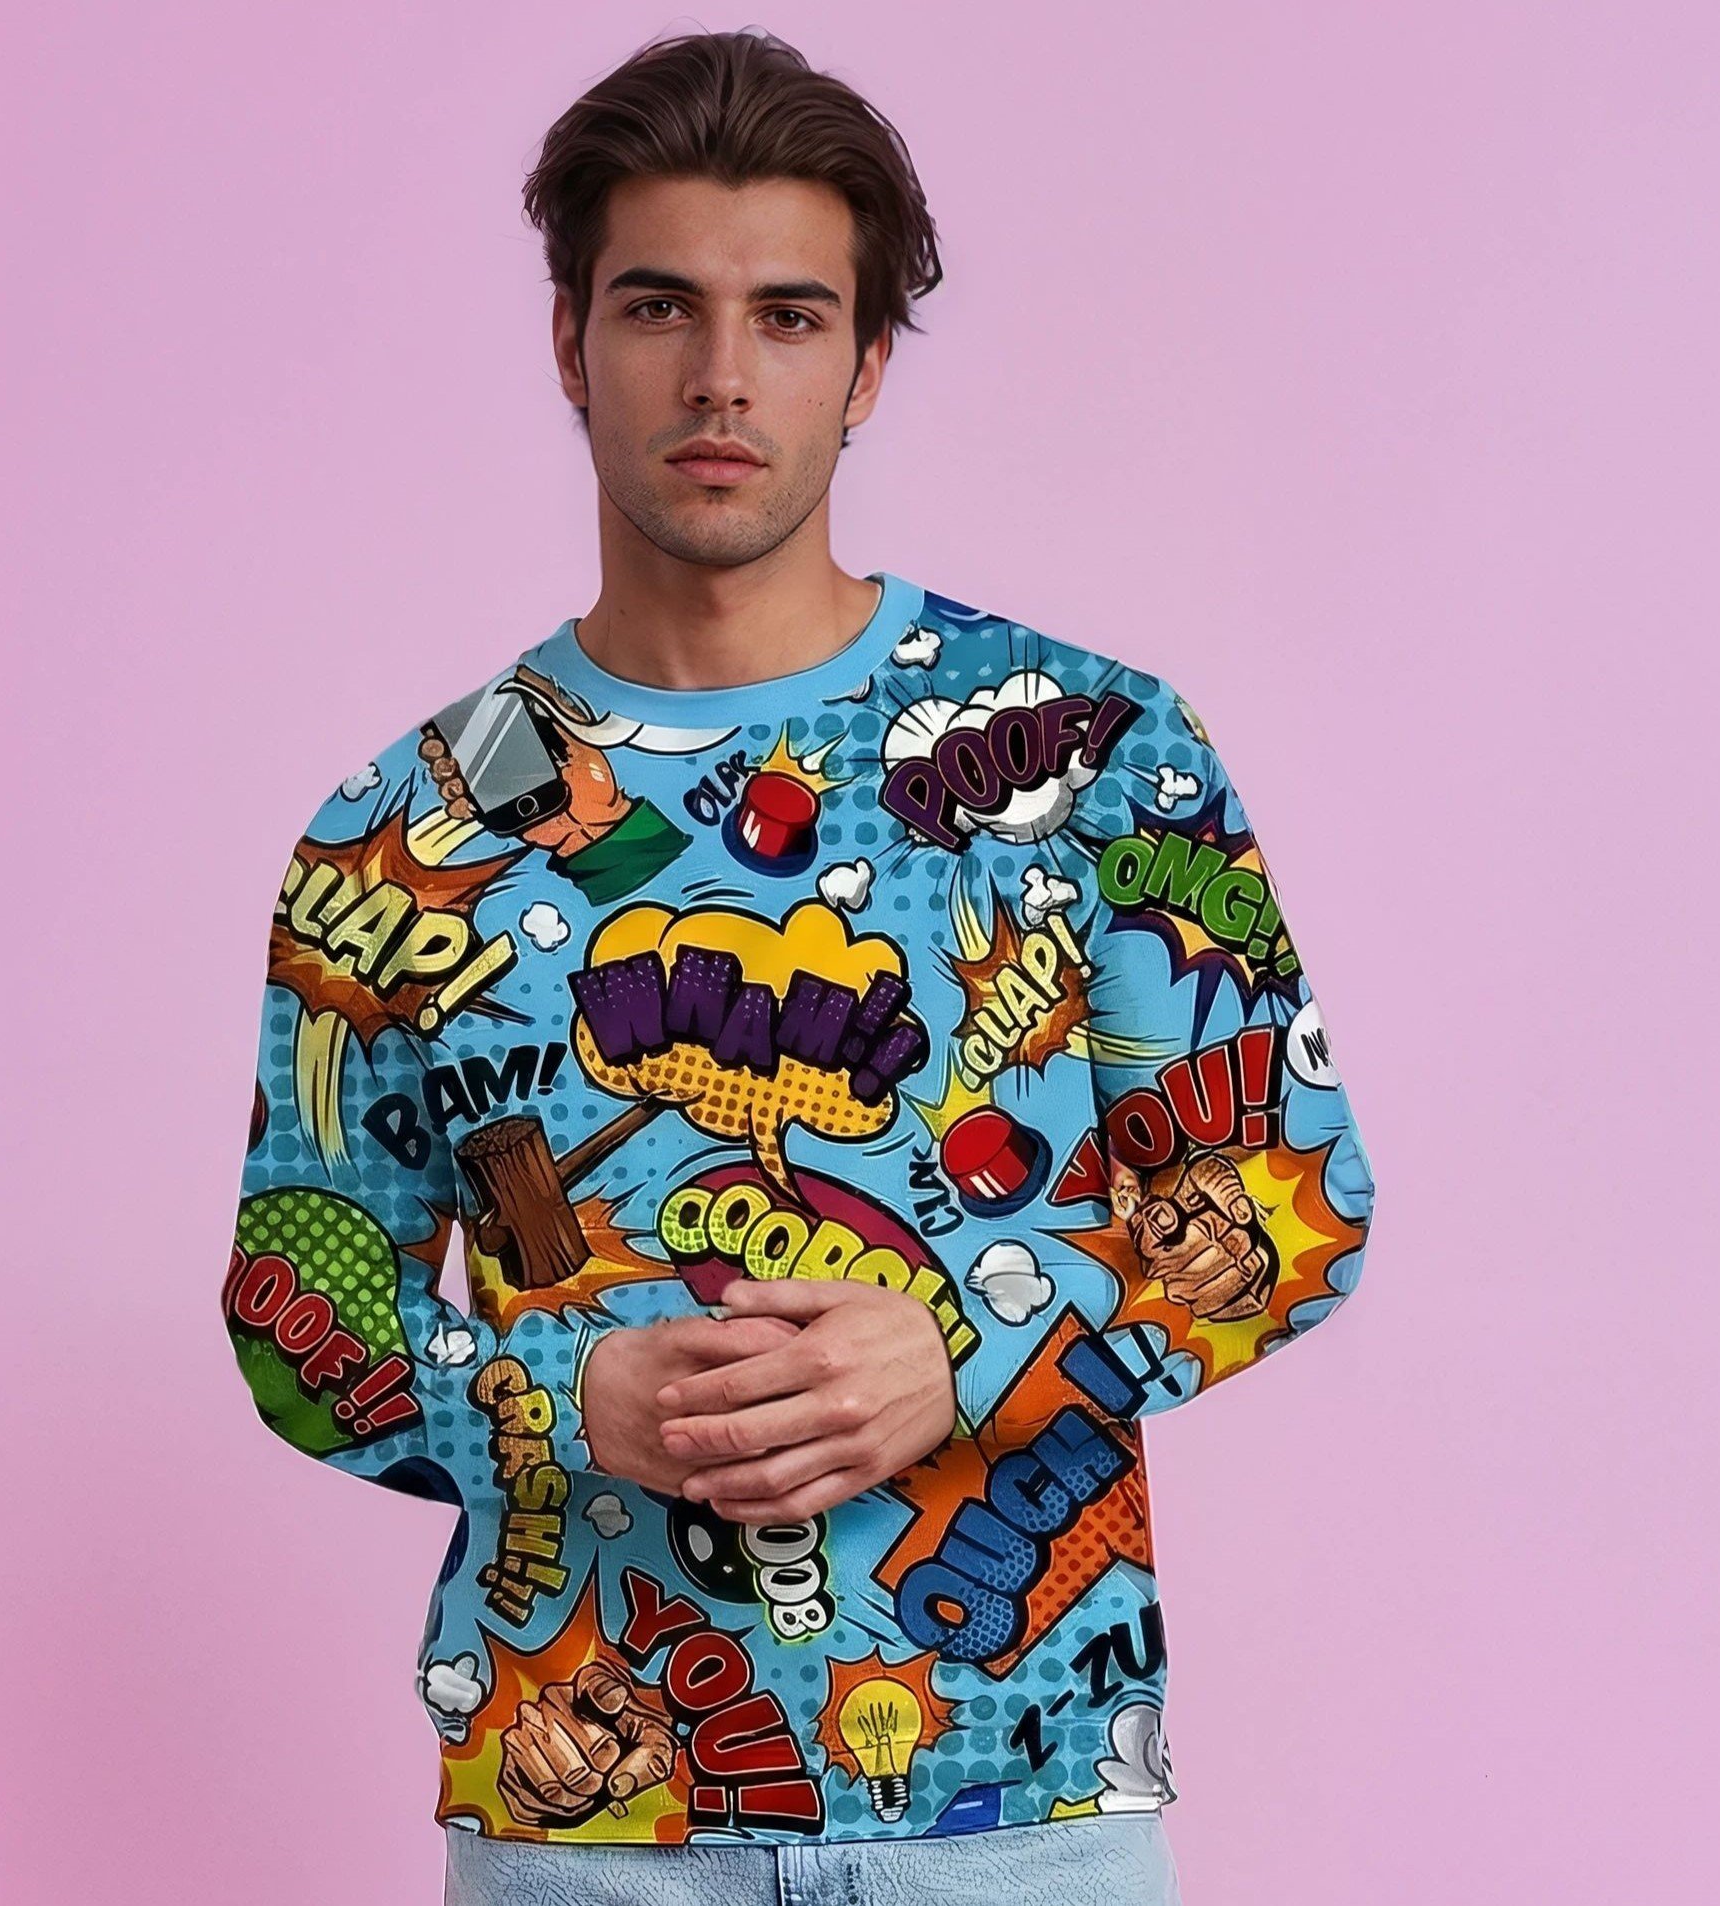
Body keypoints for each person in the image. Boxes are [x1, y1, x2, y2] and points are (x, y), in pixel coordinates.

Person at [221, 27, 1377, 1906]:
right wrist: (555, 1390)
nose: (720, 375)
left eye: (787, 314)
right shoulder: (399, 833)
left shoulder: (1093, 753)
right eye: (658, 305)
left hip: (1021, 1809)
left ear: (866, 366)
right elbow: (297, 1313)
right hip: (585, 1829)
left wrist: (966, 1339)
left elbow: (1288, 1201)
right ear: (567, 341)